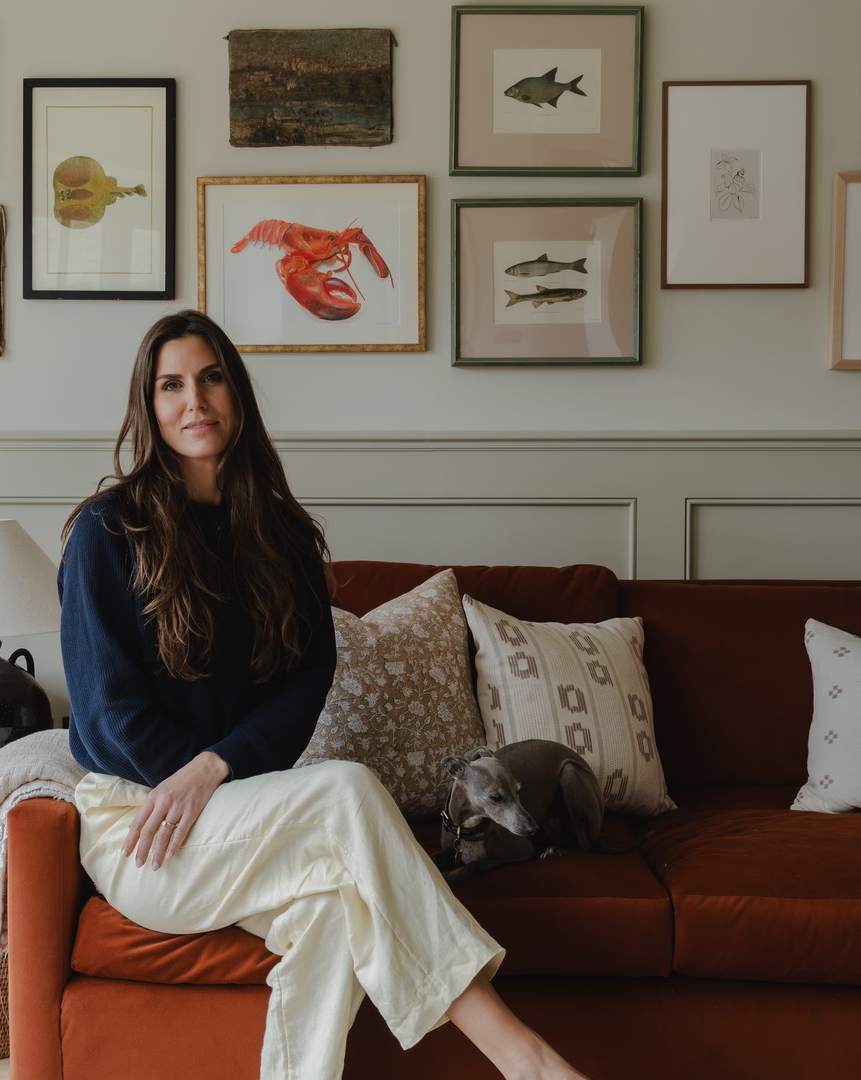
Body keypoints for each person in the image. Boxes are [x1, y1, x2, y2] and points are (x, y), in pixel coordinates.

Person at [58, 309, 591, 1080]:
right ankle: (526, 1060)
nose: (193, 400)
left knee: (336, 913)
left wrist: (218, 770)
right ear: (149, 405)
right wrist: (205, 773)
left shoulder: (282, 535)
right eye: (171, 384)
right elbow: (109, 712)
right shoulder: (108, 532)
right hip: (141, 830)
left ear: (236, 393)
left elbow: (305, 685)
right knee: (344, 790)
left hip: (242, 818)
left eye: (210, 378)